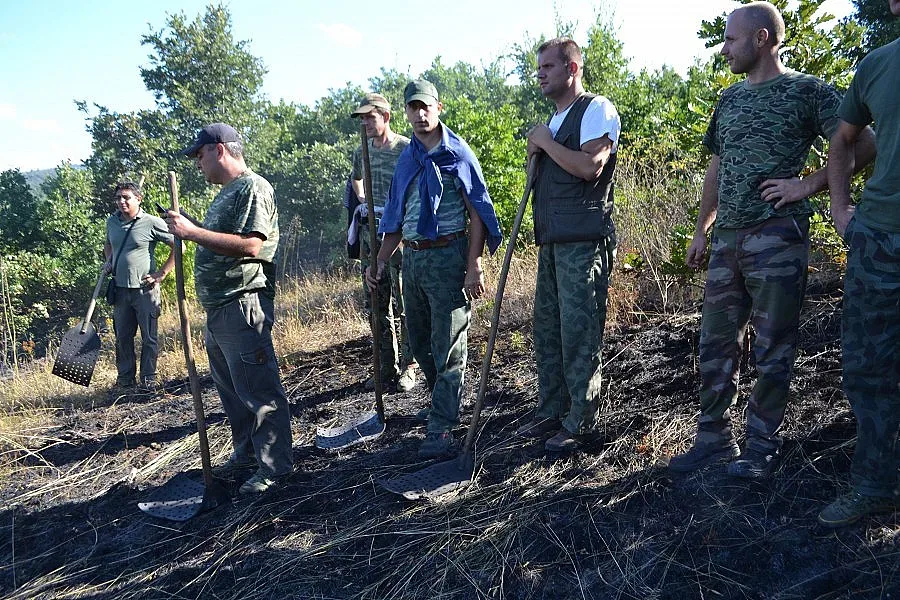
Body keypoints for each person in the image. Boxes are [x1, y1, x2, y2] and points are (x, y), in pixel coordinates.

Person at [668, 1, 875, 478]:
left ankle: (761, 447)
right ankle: (713, 439)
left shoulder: (807, 91)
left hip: (776, 238)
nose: (723, 50)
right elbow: (717, 166)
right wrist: (703, 226)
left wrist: (807, 184)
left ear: (761, 39)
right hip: (727, 241)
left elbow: (863, 142)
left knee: (772, 346)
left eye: (731, 40)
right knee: (715, 343)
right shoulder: (730, 100)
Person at [366, 80, 502, 458]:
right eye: (413, 108)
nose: (421, 114)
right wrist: (379, 260)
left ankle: (442, 425)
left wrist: (473, 263)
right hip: (413, 259)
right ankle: (441, 403)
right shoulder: (407, 158)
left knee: (449, 343)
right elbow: (395, 215)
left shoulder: (457, 153)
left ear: (438, 107)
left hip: (449, 254)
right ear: (406, 112)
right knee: (421, 343)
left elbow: (478, 211)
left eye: (426, 106)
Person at [166, 123, 293, 494]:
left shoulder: (253, 187)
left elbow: (252, 245)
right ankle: (247, 454)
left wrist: (192, 232)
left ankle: (274, 467)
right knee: (234, 392)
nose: (197, 163)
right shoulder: (227, 193)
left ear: (219, 149)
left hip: (242, 301)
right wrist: (192, 234)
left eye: (200, 155)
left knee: (258, 388)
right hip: (220, 307)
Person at [513, 37, 621, 455]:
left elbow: (590, 167)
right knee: (548, 330)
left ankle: (581, 420)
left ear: (572, 69)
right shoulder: (553, 123)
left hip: (584, 243)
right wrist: (537, 148)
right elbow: (538, 183)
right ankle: (552, 410)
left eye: (548, 67)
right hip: (554, 243)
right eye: (538, 67)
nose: (539, 74)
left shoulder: (596, 109)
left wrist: (545, 143)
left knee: (579, 332)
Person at [819, 0, 900, 527]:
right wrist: (841, 208)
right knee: (868, 369)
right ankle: (874, 485)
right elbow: (844, 139)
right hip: (879, 240)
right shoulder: (877, 64)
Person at [349, 92, 418, 393]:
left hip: (399, 232)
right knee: (376, 299)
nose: (364, 122)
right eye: (361, 118)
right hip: (370, 233)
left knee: (404, 301)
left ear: (386, 116)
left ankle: (411, 366)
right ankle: (385, 366)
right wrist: (362, 195)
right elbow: (355, 178)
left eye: (369, 116)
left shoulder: (405, 148)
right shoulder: (361, 150)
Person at [104, 180, 175, 390]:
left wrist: (161, 274)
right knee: (122, 338)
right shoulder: (112, 222)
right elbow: (108, 244)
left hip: (145, 290)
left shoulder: (151, 222)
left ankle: (148, 380)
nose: (121, 201)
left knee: (149, 338)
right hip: (120, 290)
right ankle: (125, 380)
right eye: (118, 197)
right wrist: (109, 260)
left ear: (138, 199)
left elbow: (177, 246)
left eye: (126, 197)